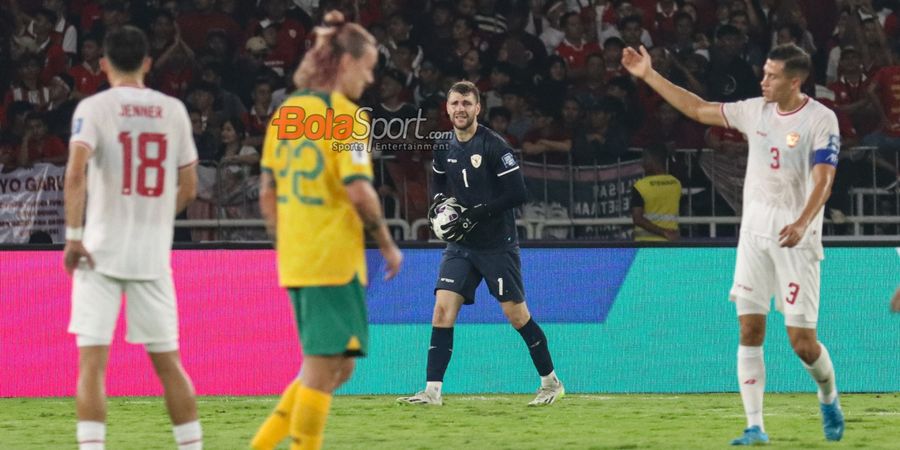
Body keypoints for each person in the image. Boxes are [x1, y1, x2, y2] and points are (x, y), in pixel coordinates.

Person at [622, 43, 845, 445]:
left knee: (803, 344)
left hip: (797, 240)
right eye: (764, 72)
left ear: (795, 81)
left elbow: (825, 179)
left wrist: (802, 220)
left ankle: (828, 396)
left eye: (772, 75)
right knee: (749, 328)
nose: (763, 81)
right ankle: (755, 426)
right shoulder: (753, 110)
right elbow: (698, 108)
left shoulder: (820, 119)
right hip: (755, 237)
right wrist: (649, 75)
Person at [250, 11, 402, 450]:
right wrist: (388, 245)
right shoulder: (347, 117)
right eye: (368, 67)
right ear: (346, 63)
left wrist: (288, 243)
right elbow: (359, 191)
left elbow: (267, 191)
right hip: (332, 259)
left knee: (339, 367)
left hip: (300, 257)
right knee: (322, 369)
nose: (370, 79)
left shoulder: (286, 112)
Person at [63, 26, 202, 450]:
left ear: (103, 64)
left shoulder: (93, 107)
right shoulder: (173, 110)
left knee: (92, 365)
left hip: (99, 254)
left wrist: (73, 236)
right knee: (169, 364)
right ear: (147, 63)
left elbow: (75, 174)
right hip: (151, 255)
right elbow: (190, 187)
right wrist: (157, 220)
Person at [396, 81, 564, 407]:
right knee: (442, 310)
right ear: (447, 109)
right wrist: (440, 202)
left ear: (477, 109)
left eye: (466, 104)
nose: (460, 109)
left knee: (516, 316)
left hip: (496, 245)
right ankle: (432, 391)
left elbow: (518, 194)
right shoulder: (443, 145)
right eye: (455, 103)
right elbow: (439, 179)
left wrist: (475, 213)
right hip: (461, 245)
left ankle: (551, 382)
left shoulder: (495, 146)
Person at [631, 145, 681, 241]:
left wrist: (663, 232)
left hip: (646, 245)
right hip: (670, 243)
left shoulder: (641, 186)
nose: (642, 164)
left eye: (645, 159)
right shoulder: (676, 183)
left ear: (652, 162)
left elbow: (637, 218)